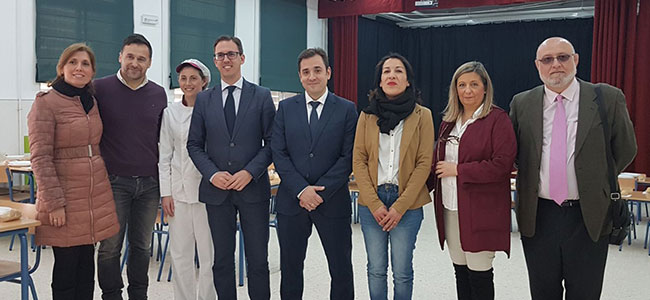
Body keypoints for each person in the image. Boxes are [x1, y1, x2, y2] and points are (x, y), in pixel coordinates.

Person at [510, 37, 637, 299]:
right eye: (547, 59)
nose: (555, 64)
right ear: (538, 66)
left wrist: (596, 178)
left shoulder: (606, 98)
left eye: (563, 57)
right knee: (543, 292)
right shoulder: (522, 103)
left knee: (585, 293)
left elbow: (626, 149)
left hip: (588, 214)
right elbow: (515, 154)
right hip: (538, 215)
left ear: (576, 60)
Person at [27, 43, 119, 300]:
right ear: (62, 67)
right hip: (64, 199)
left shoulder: (91, 101)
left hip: (92, 198)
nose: (79, 68)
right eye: (73, 62)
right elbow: (40, 157)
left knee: (86, 268)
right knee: (66, 270)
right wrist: (54, 203)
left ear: (92, 71)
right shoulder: (46, 102)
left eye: (85, 64)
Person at [187, 35, 274, 300]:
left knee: (258, 260)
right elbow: (194, 144)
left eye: (231, 54)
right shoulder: (204, 100)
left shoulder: (261, 96)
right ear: (214, 62)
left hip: (253, 189)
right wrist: (212, 173)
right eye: (220, 55)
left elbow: (272, 143)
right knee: (221, 260)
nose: (226, 59)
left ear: (242, 58)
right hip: (217, 191)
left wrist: (250, 172)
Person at [271, 48, 357, 300]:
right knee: (290, 269)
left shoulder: (346, 109)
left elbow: (348, 156)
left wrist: (320, 192)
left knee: (340, 269)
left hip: (332, 201)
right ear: (299, 77)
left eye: (317, 70)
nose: (312, 76)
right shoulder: (286, 108)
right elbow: (279, 152)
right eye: (306, 72)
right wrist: (301, 189)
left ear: (328, 73)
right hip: (292, 201)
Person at [427, 61, 516, 300]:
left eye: (474, 84)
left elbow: (502, 165)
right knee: (460, 271)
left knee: (480, 275)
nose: (467, 90)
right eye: (462, 85)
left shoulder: (498, 119)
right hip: (450, 208)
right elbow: (436, 163)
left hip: (481, 211)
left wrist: (459, 170)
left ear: (485, 88)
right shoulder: (448, 122)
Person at [352, 53, 433, 300]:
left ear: (408, 80)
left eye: (398, 71)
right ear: (379, 80)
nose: (392, 75)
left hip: (407, 203)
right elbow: (359, 160)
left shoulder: (423, 116)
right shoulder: (367, 116)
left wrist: (399, 207)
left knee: (402, 271)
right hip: (372, 201)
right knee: (375, 269)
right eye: (386, 71)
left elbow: (423, 163)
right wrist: (375, 204)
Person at [94, 33, 168, 300]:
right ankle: (111, 295)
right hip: (113, 182)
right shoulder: (99, 88)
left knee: (142, 246)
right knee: (110, 247)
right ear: (120, 57)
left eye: (141, 58)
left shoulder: (159, 94)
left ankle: (140, 295)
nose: (134, 63)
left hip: (149, 183)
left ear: (149, 62)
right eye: (130, 57)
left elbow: (164, 141)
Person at [158, 59, 216, 300]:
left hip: (208, 192)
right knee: (180, 254)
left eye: (193, 78)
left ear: (204, 81)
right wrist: (165, 193)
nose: (188, 83)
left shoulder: (214, 110)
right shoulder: (169, 113)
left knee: (208, 256)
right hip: (177, 194)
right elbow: (165, 154)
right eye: (183, 78)